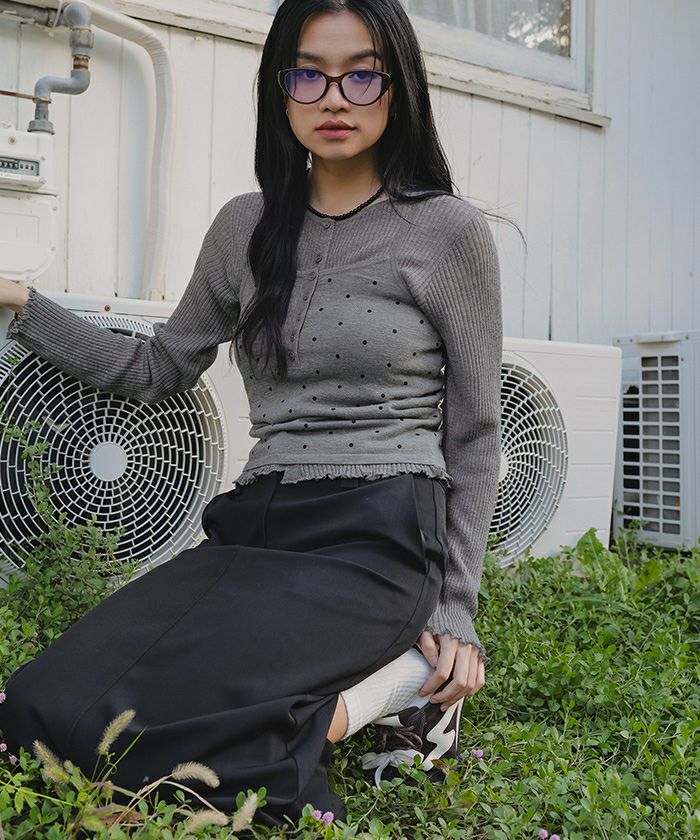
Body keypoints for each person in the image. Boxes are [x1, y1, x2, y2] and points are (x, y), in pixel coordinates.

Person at [0, 0, 511, 827]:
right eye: (310, 75)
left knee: (189, 741)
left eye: (362, 75)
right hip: (259, 525)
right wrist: (21, 301)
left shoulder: (446, 232)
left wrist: (456, 609)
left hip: (380, 534)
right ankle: (366, 697)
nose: (334, 98)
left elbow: (476, 433)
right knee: (41, 707)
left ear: (399, 86)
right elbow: (158, 367)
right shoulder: (245, 226)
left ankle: (397, 694)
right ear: (281, 90)